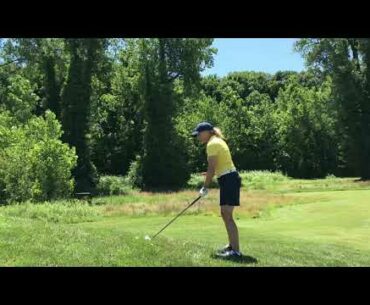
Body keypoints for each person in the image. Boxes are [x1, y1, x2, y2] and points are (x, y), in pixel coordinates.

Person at [191, 121, 242, 258]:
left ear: (207, 132)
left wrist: (205, 187)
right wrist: (208, 174)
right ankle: (232, 246)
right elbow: (216, 167)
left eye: (199, 134)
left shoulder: (212, 144)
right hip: (228, 178)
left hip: (229, 179)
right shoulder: (216, 141)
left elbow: (212, 168)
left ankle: (235, 251)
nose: (198, 137)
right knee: (225, 214)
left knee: (227, 214)